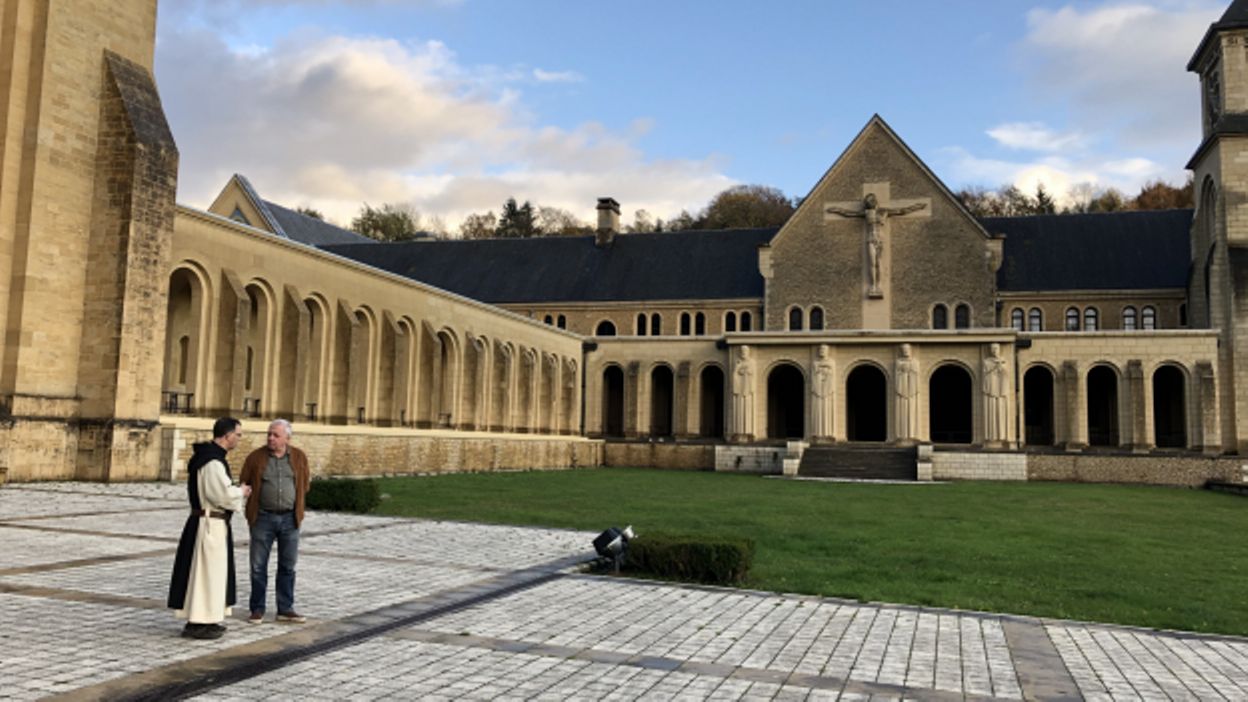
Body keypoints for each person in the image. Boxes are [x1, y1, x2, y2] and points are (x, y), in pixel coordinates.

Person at [168, 417, 251, 640]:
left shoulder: (211, 458)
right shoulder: (212, 462)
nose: (239, 439)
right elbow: (220, 494)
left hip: (211, 523)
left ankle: (208, 619)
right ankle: (199, 622)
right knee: (206, 575)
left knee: (210, 575)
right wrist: (240, 492)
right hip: (208, 524)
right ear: (227, 435)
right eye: (238, 434)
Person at [240, 418, 311, 625]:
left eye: (276, 435)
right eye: (269, 434)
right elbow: (245, 482)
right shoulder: (255, 458)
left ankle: (285, 608)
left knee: (288, 566)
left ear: (287, 438)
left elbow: (304, 484)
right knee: (258, 566)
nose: (271, 438)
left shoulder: (298, 457)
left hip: (290, 518)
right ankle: (257, 608)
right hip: (263, 517)